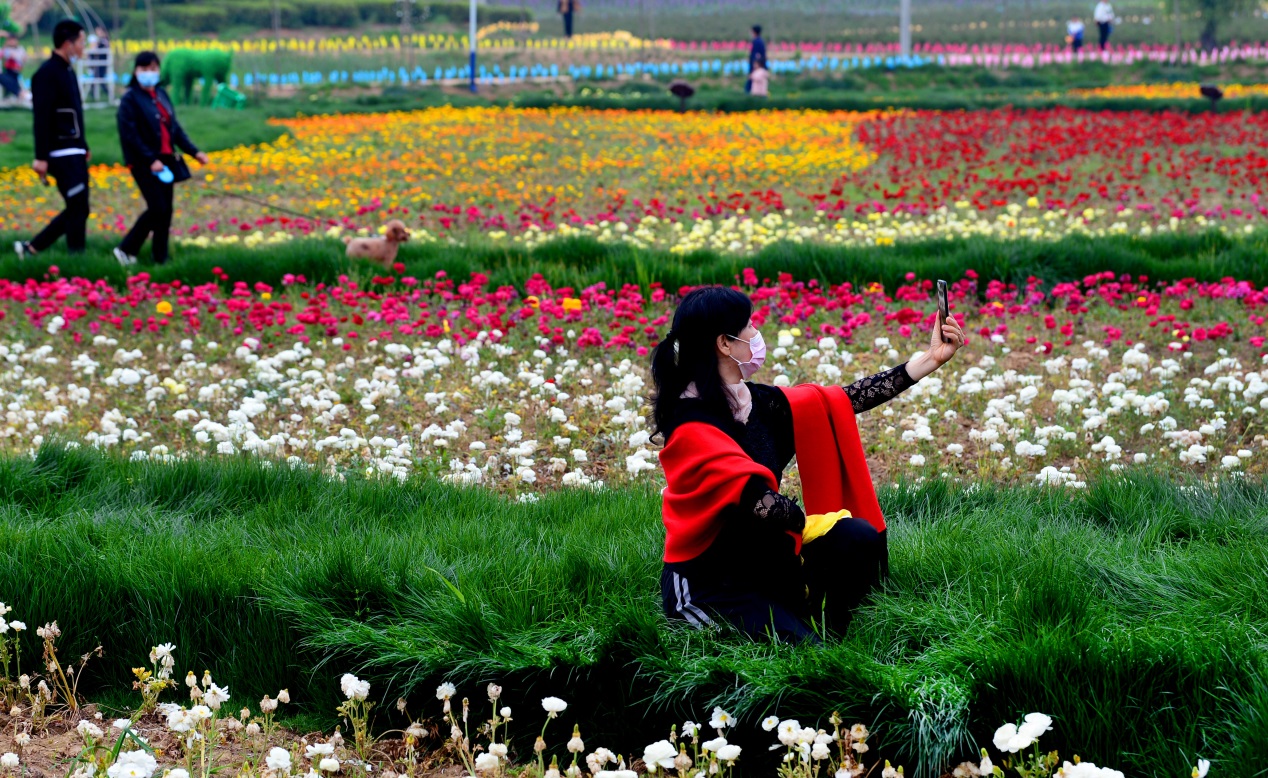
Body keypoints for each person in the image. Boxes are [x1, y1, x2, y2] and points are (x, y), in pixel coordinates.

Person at [653, 286, 965, 642]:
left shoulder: (756, 402)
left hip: (763, 560)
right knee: (802, 658)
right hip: (709, 580)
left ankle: (827, 629)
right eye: (750, 326)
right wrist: (804, 526)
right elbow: (759, 503)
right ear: (725, 344)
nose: (757, 334)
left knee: (855, 537)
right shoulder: (690, 421)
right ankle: (804, 630)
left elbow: (845, 399)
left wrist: (930, 359)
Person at [114, 51, 209, 266]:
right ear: (136, 71)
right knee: (157, 207)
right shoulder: (130, 99)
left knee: (166, 211)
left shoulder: (161, 95)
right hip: (144, 163)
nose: (149, 73)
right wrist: (150, 160)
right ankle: (126, 249)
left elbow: (174, 129)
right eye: (144, 69)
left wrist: (194, 152)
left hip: (166, 161)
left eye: (153, 69)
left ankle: (160, 257)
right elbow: (130, 135)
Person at [15, 19, 89, 261]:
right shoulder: (46, 74)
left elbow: (75, 113)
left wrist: (84, 145)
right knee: (78, 207)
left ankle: (34, 249)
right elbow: (42, 118)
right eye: (81, 42)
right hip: (60, 153)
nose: (83, 48)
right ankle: (74, 257)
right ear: (67, 44)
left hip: (74, 150)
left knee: (80, 207)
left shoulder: (67, 71)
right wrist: (40, 157)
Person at [1, 34, 26, 101]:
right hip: (8, 71)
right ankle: (19, 92)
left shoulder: (20, 49)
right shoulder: (6, 49)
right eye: (10, 40)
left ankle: (19, 92)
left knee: (7, 79)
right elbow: (3, 54)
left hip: (16, 71)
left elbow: (22, 59)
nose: (12, 42)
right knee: (5, 78)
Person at [747, 25, 766, 94]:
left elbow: (757, 56)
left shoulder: (757, 42)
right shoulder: (759, 41)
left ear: (754, 32)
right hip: (756, 67)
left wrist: (754, 67)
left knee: (753, 87)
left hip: (756, 69)